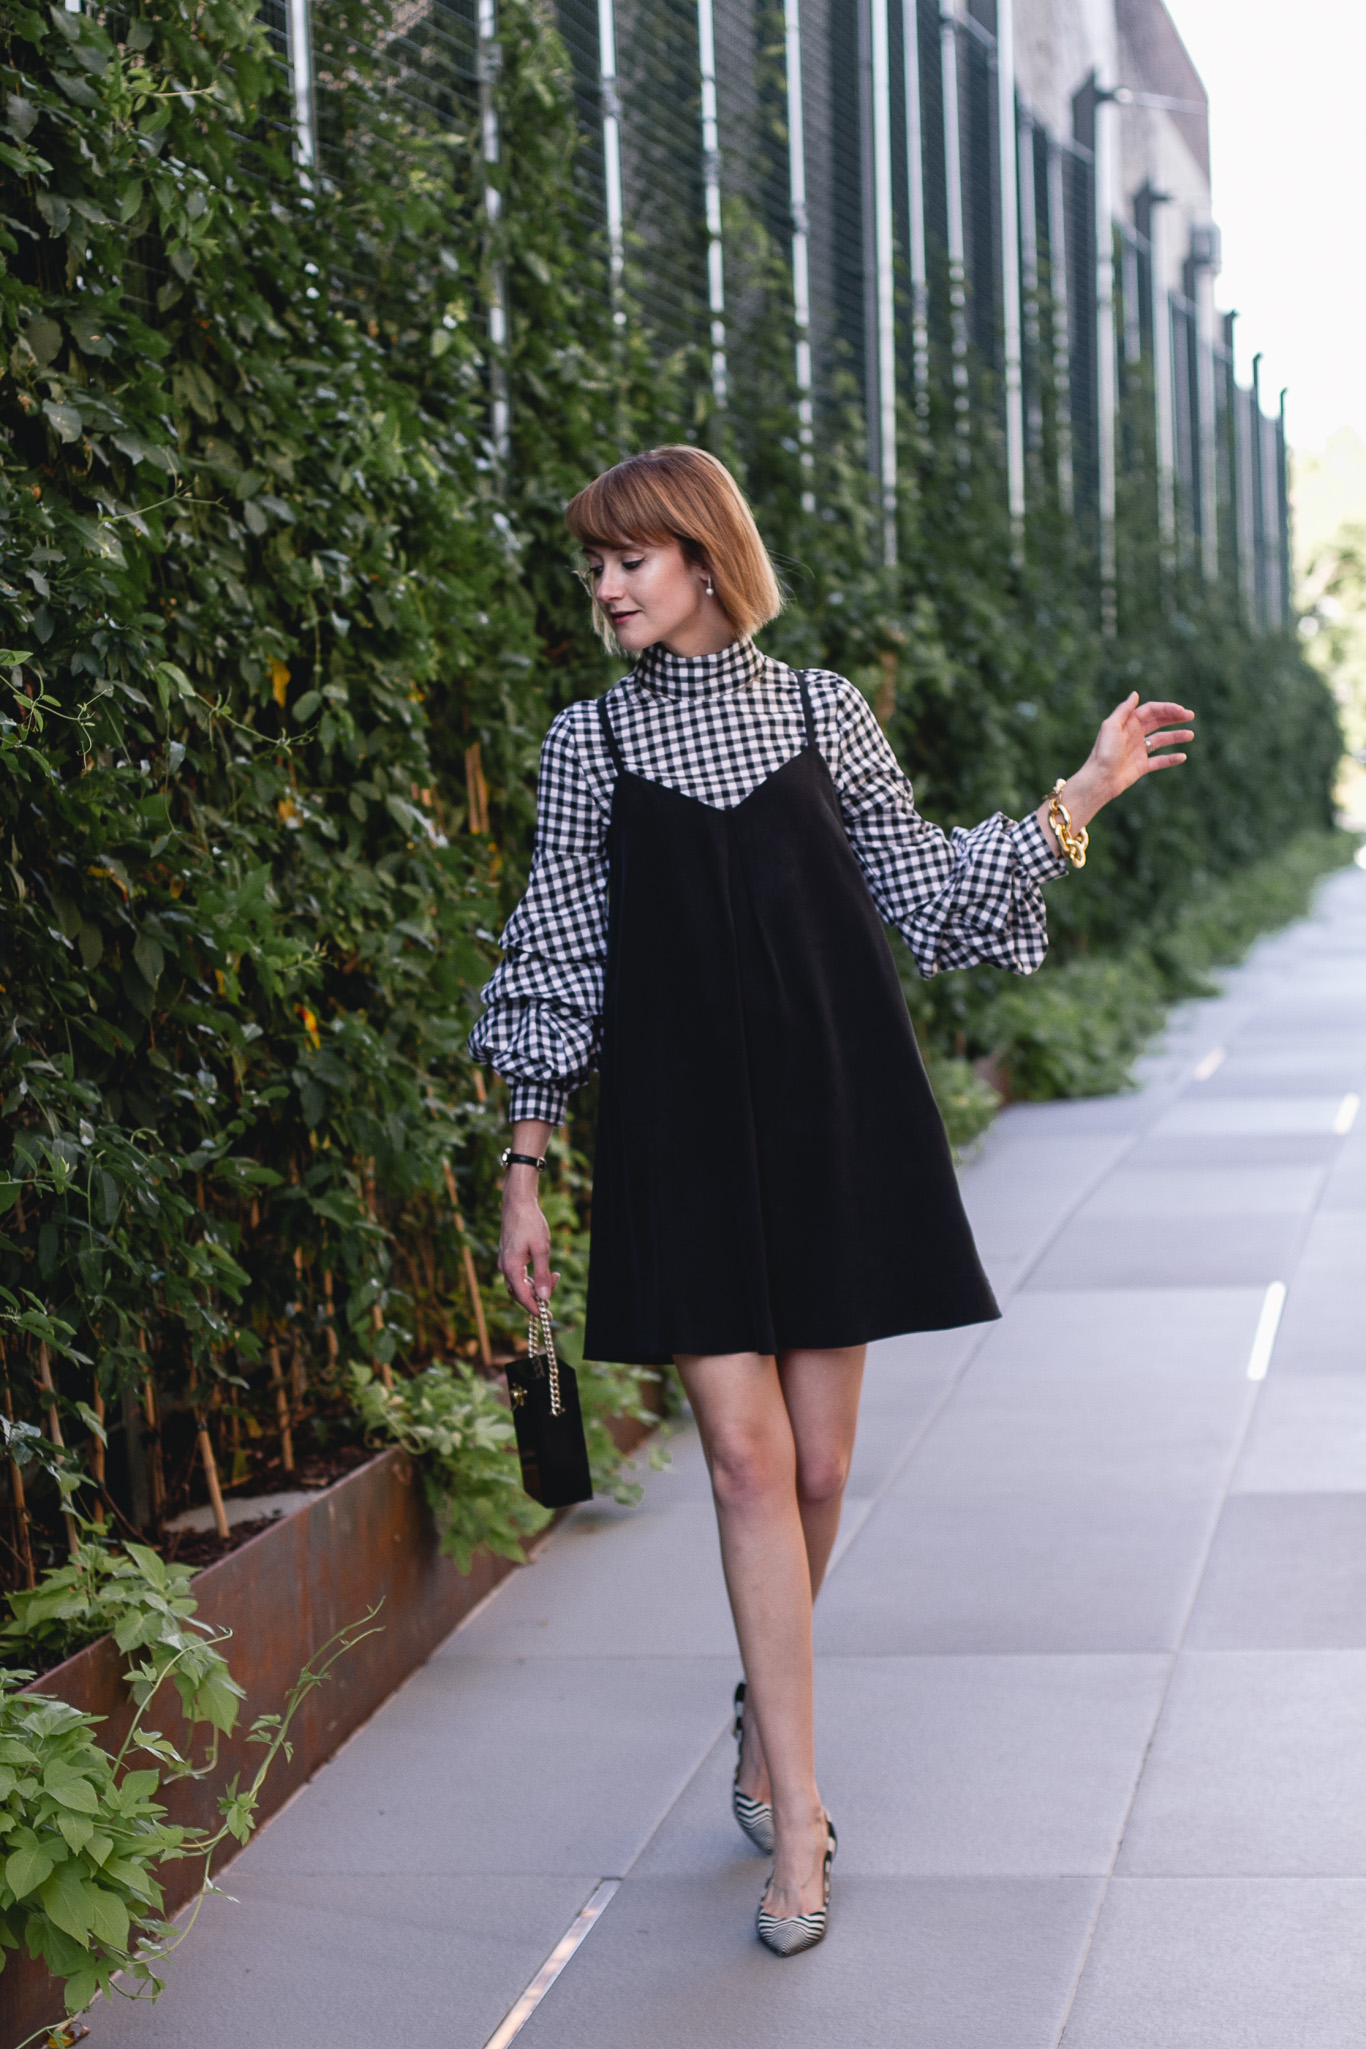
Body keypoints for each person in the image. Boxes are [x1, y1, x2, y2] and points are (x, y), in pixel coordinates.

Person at [468, 445, 1193, 1956]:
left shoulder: (817, 710)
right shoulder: (584, 745)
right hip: (677, 1129)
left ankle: (759, 1696)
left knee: (813, 1465)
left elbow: (926, 893)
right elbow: (553, 955)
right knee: (738, 1463)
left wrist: (1077, 798)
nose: (604, 584)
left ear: (706, 561)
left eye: (630, 558)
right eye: (594, 563)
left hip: (832, 1113)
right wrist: (525, 1162)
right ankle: (796, 1819)